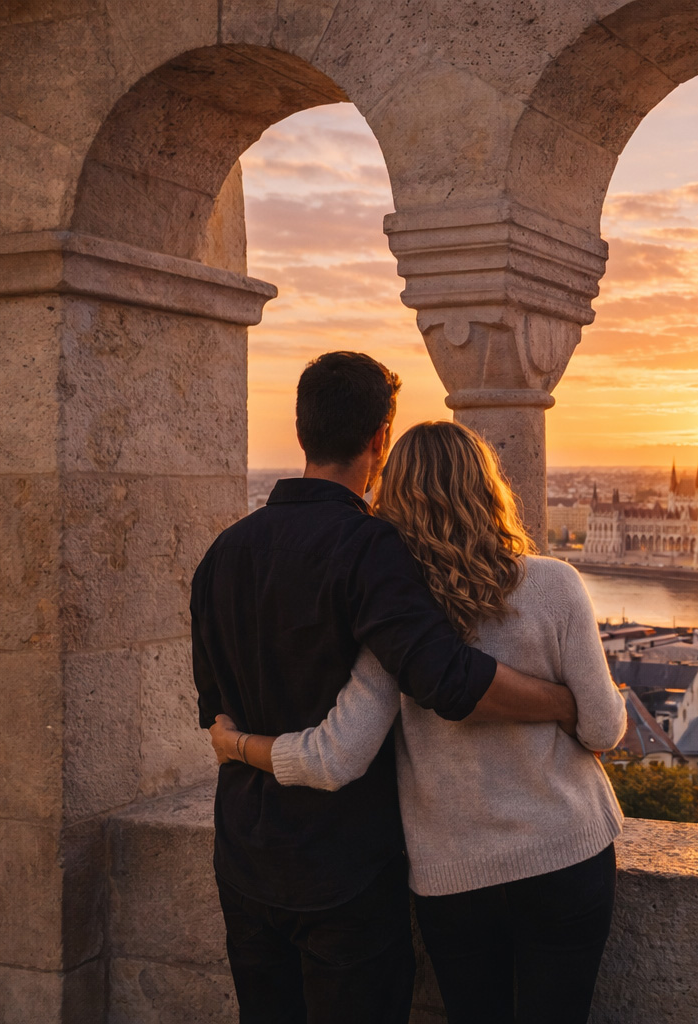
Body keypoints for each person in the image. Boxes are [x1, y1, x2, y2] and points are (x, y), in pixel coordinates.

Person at [192, 353, 577, 1024]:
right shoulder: (369, 548)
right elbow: (447, 681)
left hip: (245, 860)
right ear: (381, 439)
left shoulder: (224, 552)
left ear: (302, 428)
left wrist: (241, 744)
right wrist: (561, 702)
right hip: (343, 871)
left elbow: (213, 708)